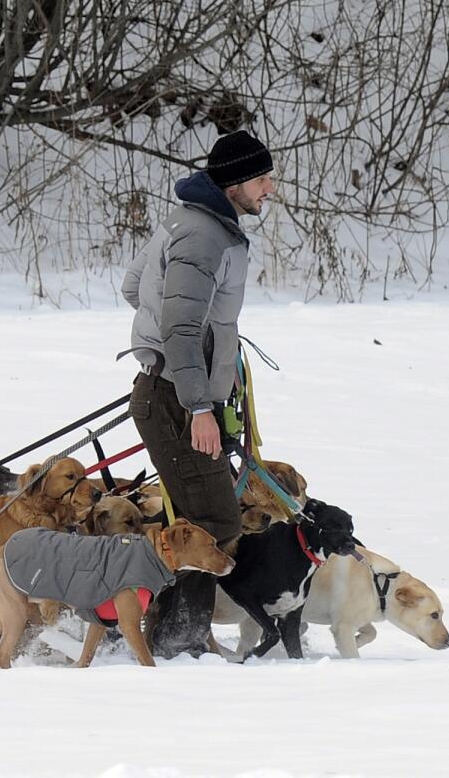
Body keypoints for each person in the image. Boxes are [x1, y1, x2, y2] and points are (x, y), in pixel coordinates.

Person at [120, 129, 275, 658]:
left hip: (168, 391)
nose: (269, 189)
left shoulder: (191, 222)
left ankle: (166, 629)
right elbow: (181, 328)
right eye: (261, 179)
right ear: (233, 182)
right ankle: (176, 642)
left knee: (201, 516)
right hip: (175, 402)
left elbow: (132, 285)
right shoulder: (204, 236)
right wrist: (198, 405)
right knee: (214, 520)